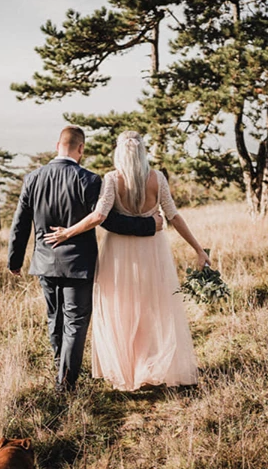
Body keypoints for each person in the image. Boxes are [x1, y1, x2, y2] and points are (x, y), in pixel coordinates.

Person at [44, 130, 210, 391]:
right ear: (143, 152)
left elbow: (99, 216)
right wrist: (199, 249)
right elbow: (174, 216)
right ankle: (152, 365)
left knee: (122, 309)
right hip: (152, 251)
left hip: (118, 254)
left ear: (118, 152)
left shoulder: (111, 179)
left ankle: (130, 370)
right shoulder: (157, 178)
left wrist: (68, 232)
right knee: (154, 309)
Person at [8, 126, 163, 392]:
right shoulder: (89, 180)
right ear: (81, 149)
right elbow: (110, 221)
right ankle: (65, 383)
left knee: (54, 318)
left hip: (44, 262)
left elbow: (20, 224)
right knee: (75, 322)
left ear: (58, 145)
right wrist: (150, 226)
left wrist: (15, 260)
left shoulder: (32, 178)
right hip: (78, 264)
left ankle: (61, 370)